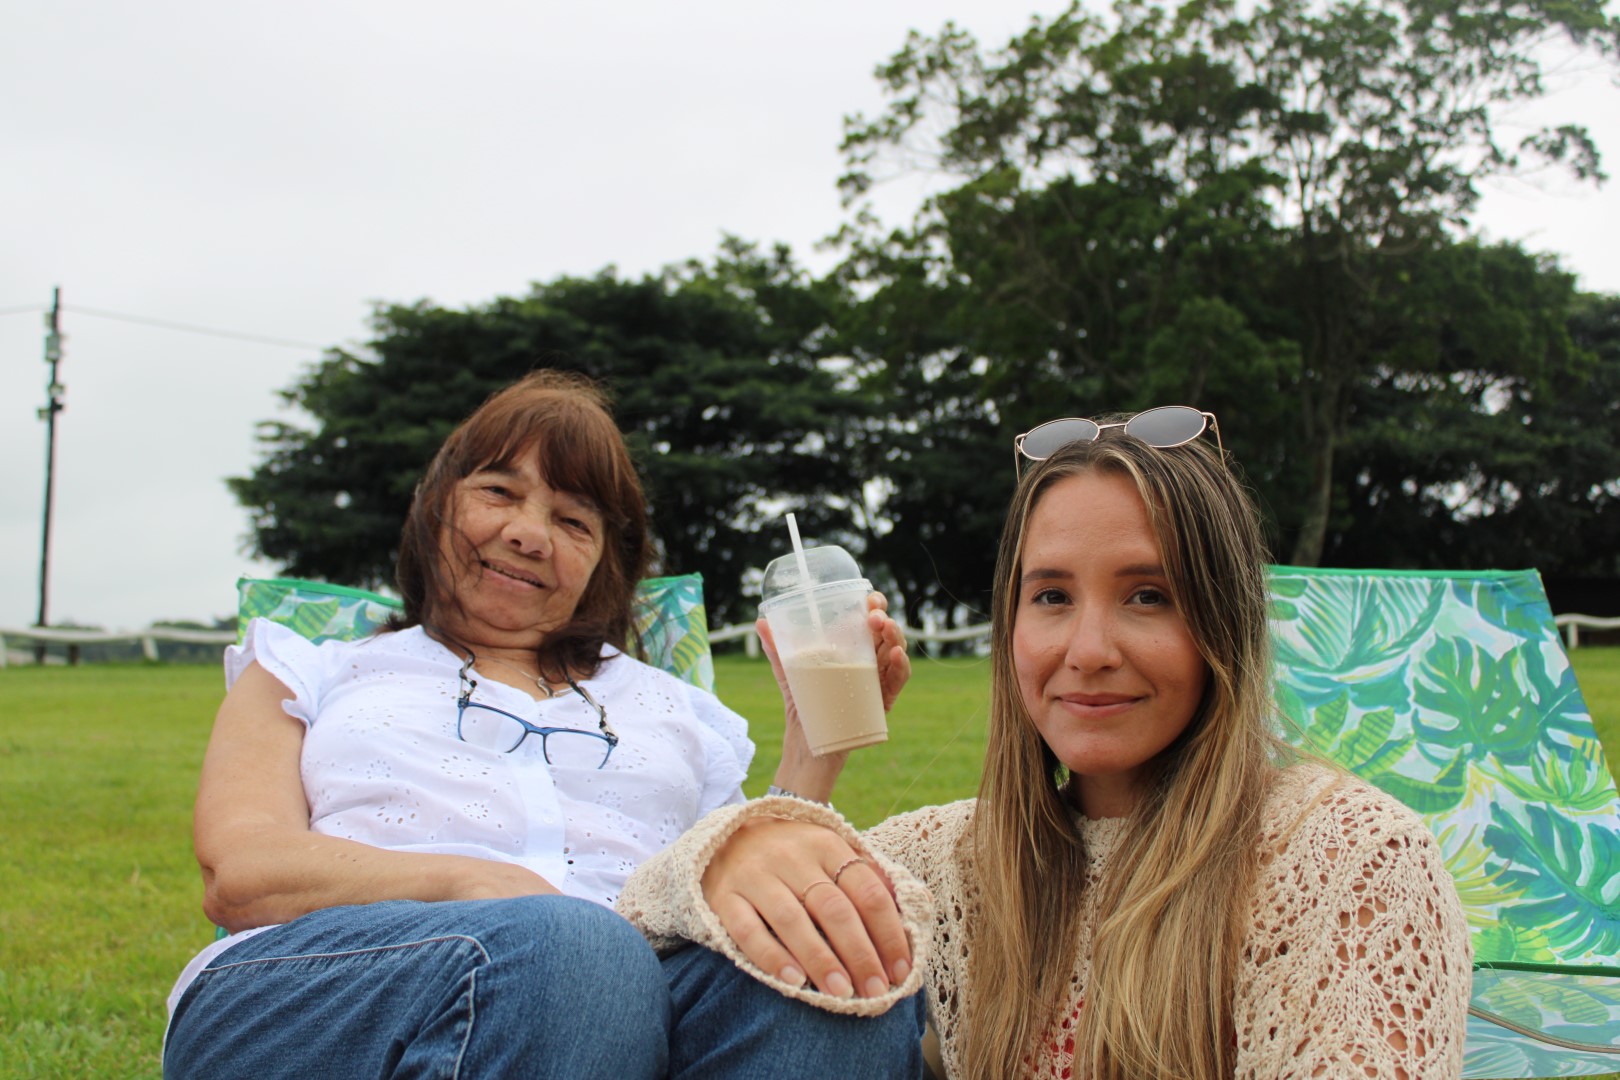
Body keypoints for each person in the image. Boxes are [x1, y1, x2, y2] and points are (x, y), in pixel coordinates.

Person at [618, 407, 1474, 1079]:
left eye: (1148, 595)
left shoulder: (1350, 862)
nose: (1088, 650)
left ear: (1224, 623)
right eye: (1053, 597)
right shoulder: (947, 862)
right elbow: (643, 930)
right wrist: (787, 791)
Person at [162, 370, 927, 1079]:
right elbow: (242, 872)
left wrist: (813, 747)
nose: (530, 534)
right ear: (436, 505)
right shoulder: (312, 668)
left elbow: (732, 899)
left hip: (622, 990)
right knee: (577, 952)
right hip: (329, 988)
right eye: (499, 492)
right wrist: (473, 883)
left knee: (835, 971)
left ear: (603, 564)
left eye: (573, 520)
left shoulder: (676, 707)